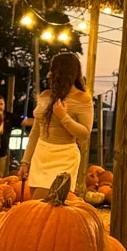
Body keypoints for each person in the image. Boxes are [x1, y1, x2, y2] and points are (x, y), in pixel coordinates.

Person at [23, 52, 93, 196]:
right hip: (41, 153)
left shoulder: (82, 99)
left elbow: (84, 133)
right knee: (35, 207)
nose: (50, 74)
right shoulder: (45, 95)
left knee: (42, 205)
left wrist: (64, 117)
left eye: (54, 70)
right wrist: (25, 161)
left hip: (64, 156)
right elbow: (35, 131)